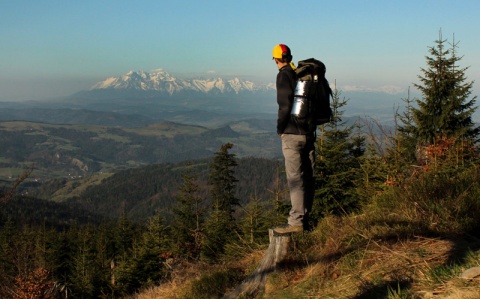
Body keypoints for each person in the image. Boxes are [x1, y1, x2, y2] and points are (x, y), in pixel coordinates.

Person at [271, 44, 315, 234]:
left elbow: (284, 104)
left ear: (276, 59)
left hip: (291, 134)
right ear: (290, 57)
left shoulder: (283, 75)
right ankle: (306, 218)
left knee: (295, 179)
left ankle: (296, 223)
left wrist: (280, 128)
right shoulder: (300, 74)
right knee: (308, 176)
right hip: (308, 133)